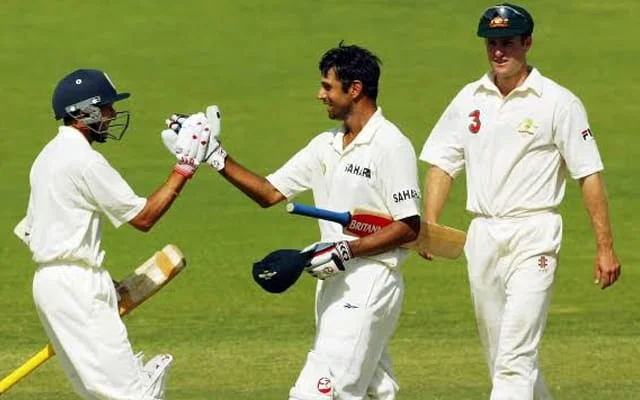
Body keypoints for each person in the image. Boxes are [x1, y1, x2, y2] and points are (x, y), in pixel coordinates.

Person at [166, 43, 421, 399]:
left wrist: (347, 251)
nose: (320, 95)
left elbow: (409, 226)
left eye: (328, 86)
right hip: (333, 281)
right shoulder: (325, 145)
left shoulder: (391, 145)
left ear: (355, 89)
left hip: (370, 281)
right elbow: (269, 192)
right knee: (375, 390)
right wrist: (214, 154)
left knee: (318, 393)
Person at [418, 4, 621, 399]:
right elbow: (442, 163)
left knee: (514, 356)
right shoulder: (469, 98)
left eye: (507, 42)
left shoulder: (558, 102)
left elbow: (589, 175)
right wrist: (431, 224)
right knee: (501, 355)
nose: (498, 52)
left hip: (534, 234)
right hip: (482, 235)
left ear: (527, 43)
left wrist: (605, 247)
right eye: (491, 43)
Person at [14, 68, 212, 400]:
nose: (113, 114)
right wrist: (185, 167)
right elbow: (144, 218)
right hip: (76, 288)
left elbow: (31, 231)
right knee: (134, 395)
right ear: (85, 112)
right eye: (106, 107)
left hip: (51, 286)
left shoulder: (46, 157)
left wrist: (99, 284)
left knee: (103, 394)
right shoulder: (84, 161)